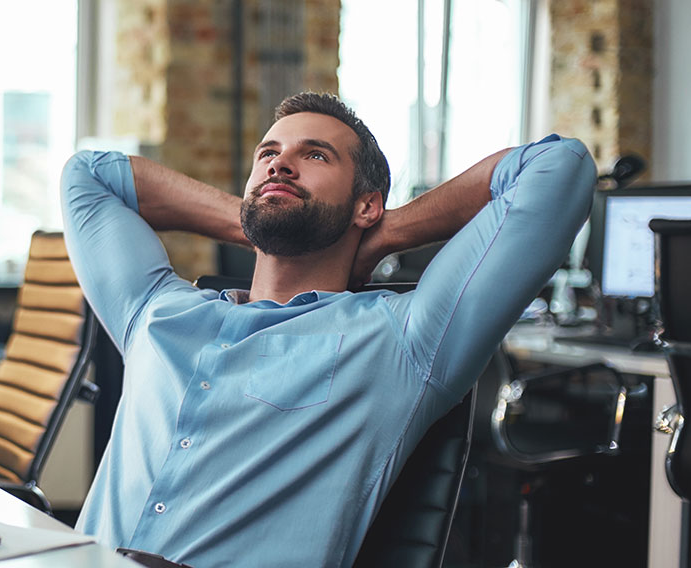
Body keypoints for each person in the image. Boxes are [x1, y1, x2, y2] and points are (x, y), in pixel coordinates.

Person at [60, 91, 595, 567]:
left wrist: (386, 232)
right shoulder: (157, 312)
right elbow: (86, 173)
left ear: (367, 203)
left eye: (314, 155)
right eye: (268, 154)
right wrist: (258, 220)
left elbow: (559, 167)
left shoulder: (402, 340)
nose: (281, 164)